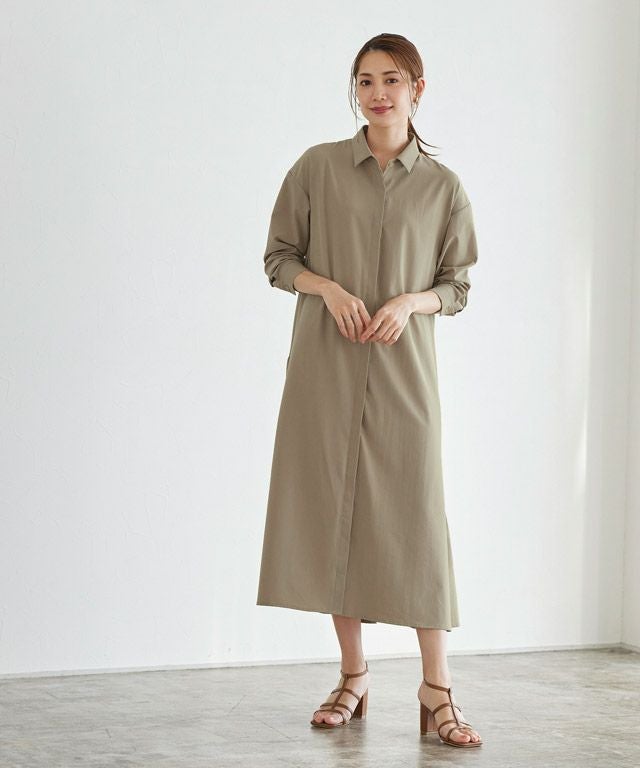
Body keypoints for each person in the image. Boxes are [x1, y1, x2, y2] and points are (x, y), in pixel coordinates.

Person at [256, 33, 482, 747]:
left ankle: (437, 687)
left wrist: (412, 302)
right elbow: (278, 258)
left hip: (403, 373)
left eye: (391, 79)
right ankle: (352, 676)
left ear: (418, 88)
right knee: (334, 517)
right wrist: (325, 288)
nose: (377, 93)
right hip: (324, 370)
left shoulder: (443, 189)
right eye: (364, 81)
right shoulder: (316, 169)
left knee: (417, 524)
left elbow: (457, 287)